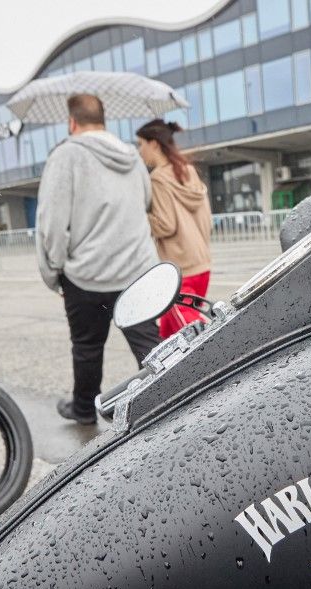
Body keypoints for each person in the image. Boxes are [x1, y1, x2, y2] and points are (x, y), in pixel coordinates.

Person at [36, 94, 160, 425]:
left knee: (87, 347)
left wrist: (55, 270)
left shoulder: (65, 156)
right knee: (150, 345)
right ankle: (167, 400)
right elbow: (146, 201)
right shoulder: (132, 157)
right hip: (135, 269)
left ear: (72, 122)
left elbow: (52, 223)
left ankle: (83, 409)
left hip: (85, 276)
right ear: (104, 121)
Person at [135, 119, 212, 339]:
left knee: (195, 337)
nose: (140, 151)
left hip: (181, 270)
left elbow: (166, 225)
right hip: (201, 263)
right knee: (168, 332)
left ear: (154, 144)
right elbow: (205, 218)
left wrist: (142, 216)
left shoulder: (158, 178)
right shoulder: (188, 171)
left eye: (141, 144)